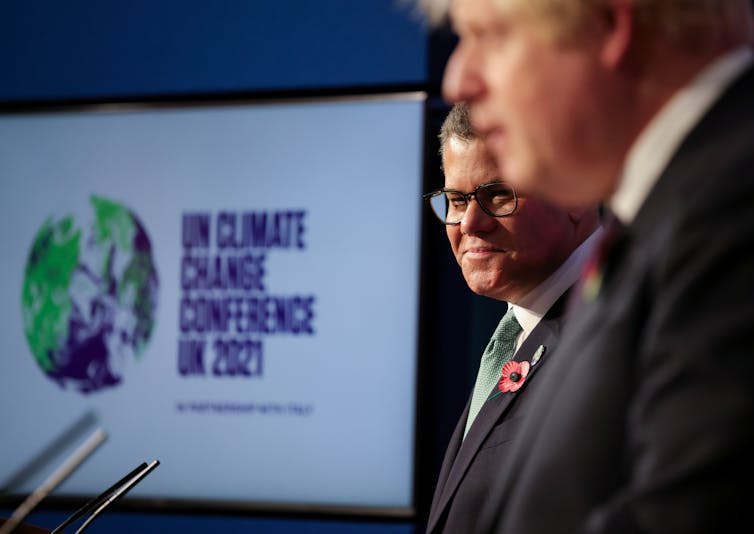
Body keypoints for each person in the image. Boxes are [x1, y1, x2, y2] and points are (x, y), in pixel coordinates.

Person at [420, 0, 754, 532]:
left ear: (610, 26)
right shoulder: (668, 219)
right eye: (455, 201)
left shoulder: (731, 208)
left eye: (490, 35)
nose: (458, 79)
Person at [423, 103, 600, 533]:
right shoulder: (519, 332)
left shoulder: (608, 334)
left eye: (498, 195)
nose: (470, 223)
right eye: (457, 200)